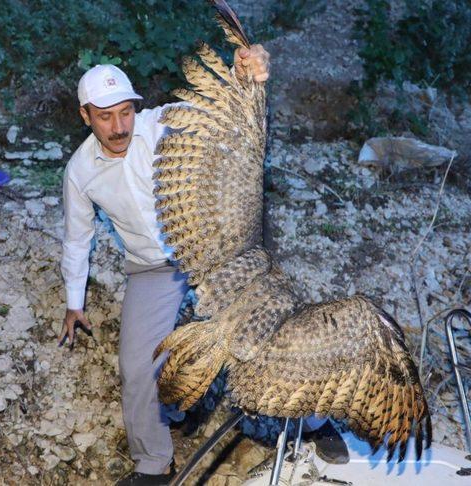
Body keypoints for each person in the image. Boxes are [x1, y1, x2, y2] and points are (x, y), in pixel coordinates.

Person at [59, 46, 345, 486]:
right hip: (152, 269)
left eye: (125, 112)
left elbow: (214, 109)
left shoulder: (163, 125)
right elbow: (78, 239)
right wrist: (73, 303)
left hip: (217, 251)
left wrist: (245, 73)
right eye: (105, 116)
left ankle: (319, 422)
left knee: (268, 337)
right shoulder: (80, 171)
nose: (118, 127)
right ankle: (155, 466)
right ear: (84, 116)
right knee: (137, 366)